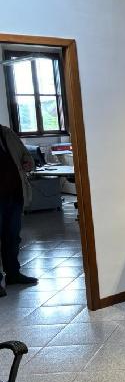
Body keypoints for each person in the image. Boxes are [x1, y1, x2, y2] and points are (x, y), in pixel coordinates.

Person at [0, 124, 38, 297]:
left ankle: (13, 274)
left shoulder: (7, 133)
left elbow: (25, 155)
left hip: (14, 196)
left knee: (13, 237)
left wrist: (28, 162)